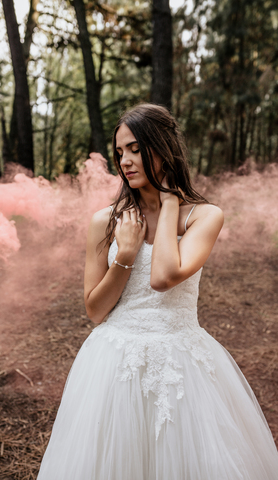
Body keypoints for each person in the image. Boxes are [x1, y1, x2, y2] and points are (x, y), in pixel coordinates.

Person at [37, 104, 278, 479]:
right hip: (113, 362)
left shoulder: (203, 215)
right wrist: (126, 255)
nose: (125, 161)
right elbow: (95, 311)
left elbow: (165, 276)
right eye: (120, 153)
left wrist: (168, 206)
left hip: (182, 363)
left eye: (135, 148)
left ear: (163, 148)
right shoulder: (105, 221)